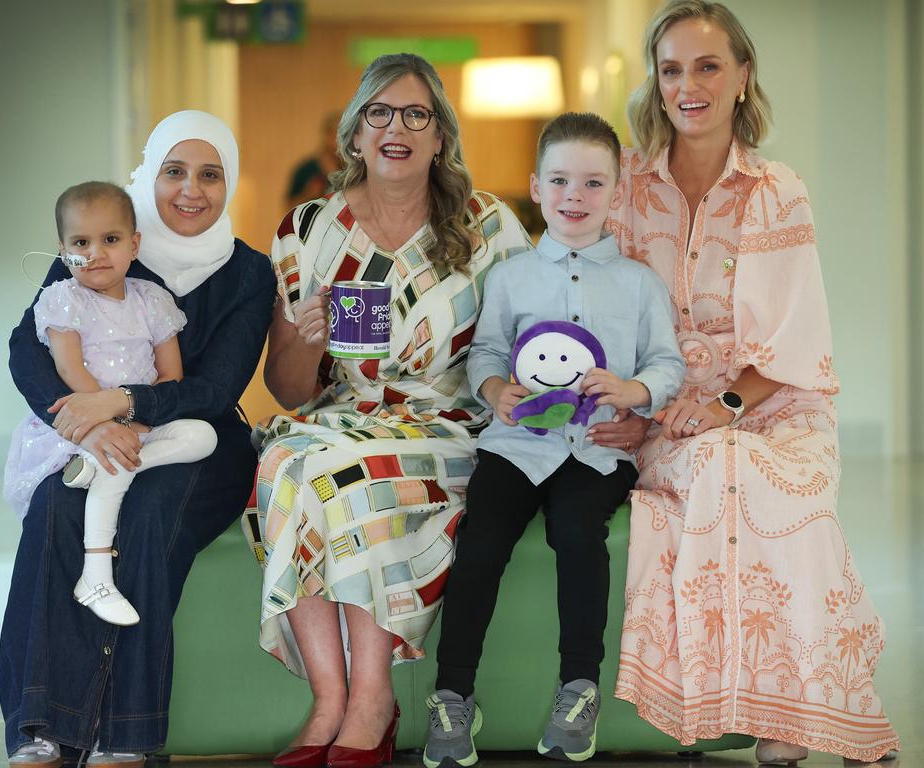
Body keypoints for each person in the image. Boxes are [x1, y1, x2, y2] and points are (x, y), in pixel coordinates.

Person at [605, 2, 900, 764]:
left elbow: (797, 337)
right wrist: (645, 404)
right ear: (656, 81)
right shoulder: (625, 189)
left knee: (779, 486)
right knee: (722, 467)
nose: (688, 85)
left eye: (707, 66)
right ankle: (779, 707)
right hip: (667, 415)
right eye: (672, 69)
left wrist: (728, 403)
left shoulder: (779, 189)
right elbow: (593, 312)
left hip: (776, 403)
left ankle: (789, 713)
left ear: (743, 76)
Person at [241, 53, 534, 768]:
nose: (395, 127)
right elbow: (288, 391)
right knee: (282, 458)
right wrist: (308, 343)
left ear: (440, 137)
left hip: (450, 422)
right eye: (379, 112)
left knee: (351, 473)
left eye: (415, 114)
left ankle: (373, 697)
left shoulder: (489, 226)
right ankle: (330, 697)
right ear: (355, 133)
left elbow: (537, 343)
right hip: (343, 412)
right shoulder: (307, 230)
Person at [0, 111, 276, 767]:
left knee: (150, 512)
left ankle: (126, 736)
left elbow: (214, 389)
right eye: (174, 171)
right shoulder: (102, 244)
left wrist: (122, 402)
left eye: (211, 174)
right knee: (54, 507)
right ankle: (41, 727)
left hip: (199, 442)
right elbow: (27, 347)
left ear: (229, 182)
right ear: (149, 175)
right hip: (95, 433)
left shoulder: (248, 273)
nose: (191, 190)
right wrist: (87, 420)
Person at [421, 113, 685, 767]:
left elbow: (668, 364)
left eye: (594, 183)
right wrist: (493, 391)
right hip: (516, 445)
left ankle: (579, 689)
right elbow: (483, 354)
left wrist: (634, 391)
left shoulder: (640, 284)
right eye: (562, 180)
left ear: (616, 194)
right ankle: (452, 697)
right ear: (536, 187)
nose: (576, 196)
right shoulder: (511, 277)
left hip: (596, 448)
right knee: (479, 543)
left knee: (577, 534)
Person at [3, 181, 218, 627]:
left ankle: (116, 464)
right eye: (82, 242)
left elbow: (171, 376)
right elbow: (70, 371)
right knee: (115, 466)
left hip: (142, 421)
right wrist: (111, 421)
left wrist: (137, 422)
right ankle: (96, 574)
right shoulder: (63, 299)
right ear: (63, 251)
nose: (97, 252)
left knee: (204, 436)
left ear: (134, 244)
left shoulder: (152, 302)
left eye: (111, 240)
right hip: (85, 423)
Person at [285, 110, 342, 210]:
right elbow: (289, 209)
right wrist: (307, 196)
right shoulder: (306, 170)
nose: (342, 141)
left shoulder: (354, 169)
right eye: (337, 135)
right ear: (327, 136)